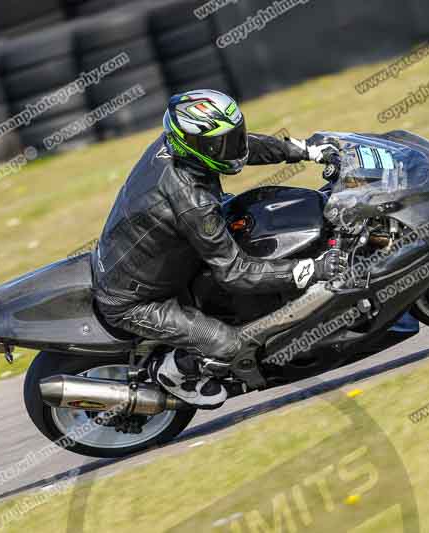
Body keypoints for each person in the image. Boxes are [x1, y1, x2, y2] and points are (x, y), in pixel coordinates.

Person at [93, 89, 343, 408]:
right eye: (221, 143)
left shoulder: (177, 146)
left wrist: (304, 150)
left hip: (153, 257)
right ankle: (175, 371)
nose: (232, 147)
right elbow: (235, 273)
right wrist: (313, 270)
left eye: (232, 136)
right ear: (194, 146)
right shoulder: (191, 200)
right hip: (134, 301)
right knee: (229, 345)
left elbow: (239, 147)